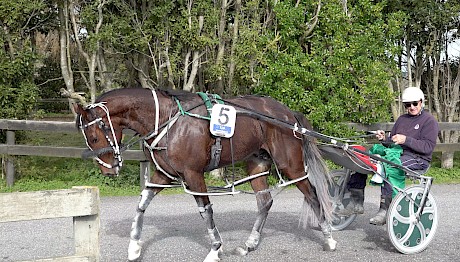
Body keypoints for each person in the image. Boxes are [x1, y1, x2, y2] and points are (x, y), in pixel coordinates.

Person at [337, 87, 439, 225]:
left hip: (418, 158)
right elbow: (392, 141)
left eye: (415, 103)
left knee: (389, 164)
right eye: (408, 105)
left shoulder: (429, 121)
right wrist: (384, 139)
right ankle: (356, 201)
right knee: (363, 158)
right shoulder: (402, 119)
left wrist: (406, 140)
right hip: (396, 153)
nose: (412, 107)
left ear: (421, 102)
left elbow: (427, 147)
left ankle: (385, 209)